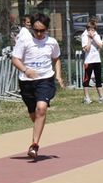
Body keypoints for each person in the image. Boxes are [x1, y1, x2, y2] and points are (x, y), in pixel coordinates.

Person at [11, 13, 65, 161]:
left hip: (45, 80)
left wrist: (58, 76)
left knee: (41, 108)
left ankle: (34, 145)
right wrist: (26, 70)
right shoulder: (24, 41)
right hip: (26, 81)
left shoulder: (52, 42)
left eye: (42, 30)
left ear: (47, 29)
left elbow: (56, 59)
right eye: (36, 30)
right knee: (34, 114)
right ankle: (39, 127)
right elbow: (15, 59)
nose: (39, 33)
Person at [81, 20, 103, 104]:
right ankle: (86, 97)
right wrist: (89, 39)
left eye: (93, 29)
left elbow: (101, 46)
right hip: (88, 61)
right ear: (87, 29)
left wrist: (93, 37)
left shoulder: (96, 35)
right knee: (87, 79)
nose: (92, 31)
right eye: (90, 29)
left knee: (98, 79)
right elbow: (87, 49)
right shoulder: (84, 36)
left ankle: (101, 97)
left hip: (97, 60)